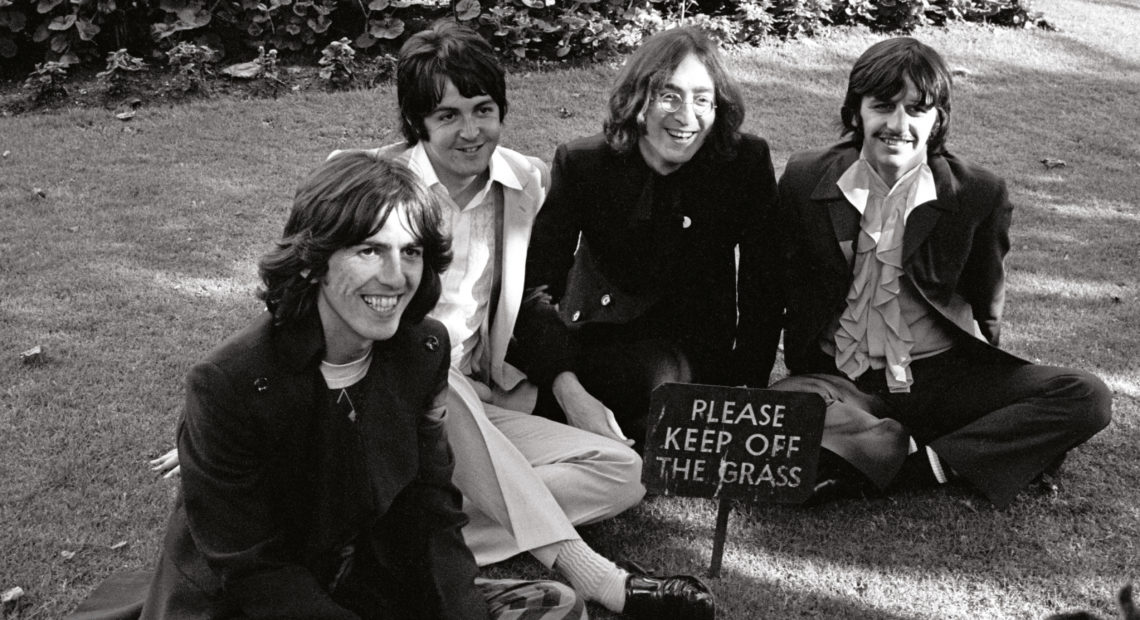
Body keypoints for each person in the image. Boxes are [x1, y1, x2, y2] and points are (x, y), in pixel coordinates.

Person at [153, 22, 713, 619]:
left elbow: (530, 300)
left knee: (622, 472)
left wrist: (567, 390)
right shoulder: (364, 183)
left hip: (471, 387)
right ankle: (596, 575)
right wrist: (231, 416)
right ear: (418, 122)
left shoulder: (524, 182)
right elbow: (306, 288)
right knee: (431, 370)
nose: (470, 131)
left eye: (484, 109)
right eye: (448, 115)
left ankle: (384, 542)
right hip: (392, 384)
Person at [75, 152, 584, 619]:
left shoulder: (422, 351)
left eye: (411, 252)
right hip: (243, 604)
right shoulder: (229, 384)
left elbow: (430, 511)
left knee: (553, 606)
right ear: (314, 259)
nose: (395, 276)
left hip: (361, 583)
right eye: (369, 250)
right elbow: (253, 570)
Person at [772, 37, 1112, 508]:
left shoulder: (977, 193)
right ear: (856, 113)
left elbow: (986, 295)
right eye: (883, 106)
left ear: (937, 121)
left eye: (917, 109)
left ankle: (909, 462)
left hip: (941, 376)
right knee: (784, 409)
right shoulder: (805, 178)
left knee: (1086, 395)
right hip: (839, 381)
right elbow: (768, 289)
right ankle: (949, 452)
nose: (898, 124)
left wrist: (990, 393)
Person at [513, 26, 784, 452]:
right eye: (669, 96)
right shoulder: (585, 164)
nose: (687, 117)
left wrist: (745, 391)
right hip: (603, 338)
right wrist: (569, 391)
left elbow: (763, 287)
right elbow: (535, 289)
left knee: (668, 384)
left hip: (697, 349)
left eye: (702, 99)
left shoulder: (744, 163)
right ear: (639, 101)